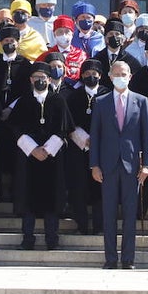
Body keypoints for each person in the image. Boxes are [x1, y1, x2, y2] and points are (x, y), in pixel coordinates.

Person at [89, 60, 148, 269]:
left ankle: (128, 259)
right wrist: (94, 165)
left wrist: (147, 165)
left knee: (129, 214)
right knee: (108, 214)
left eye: (124, 73)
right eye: (116, 73)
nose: (120, 76)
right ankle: (110, 258)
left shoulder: (141, 101)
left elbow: (147, 136)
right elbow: (95, 136)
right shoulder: (100, 102)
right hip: (107, 166)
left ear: (130, 76)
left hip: (131, 165)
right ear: (109, 75)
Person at [9, 62, 72, 251]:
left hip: (52, 157)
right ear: (30, 79)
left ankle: (52, 238)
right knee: (28, 197)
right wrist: (33, 149)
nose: (40, 81)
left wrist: (47, 149)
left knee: (51, 198)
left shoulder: (58, 100)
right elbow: (15, 128)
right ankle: (28, 238)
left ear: (50, 79)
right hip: (28, 157)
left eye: (43, 78)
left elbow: (65, 128)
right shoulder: (23, 101)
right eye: (36, 77)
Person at [66, 59, 108, 236]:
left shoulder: (108, 95)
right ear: (82, 75)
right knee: (79, 186)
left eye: (94, 73)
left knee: (100, 187)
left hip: (102, 149)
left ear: (100, 75)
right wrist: (84, 139)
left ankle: (100, 226)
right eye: (87, 74)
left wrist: (97, 140)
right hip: (78, 149)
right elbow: (69, 122)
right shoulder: (73, 96)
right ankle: (81, 225)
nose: (91, 76)